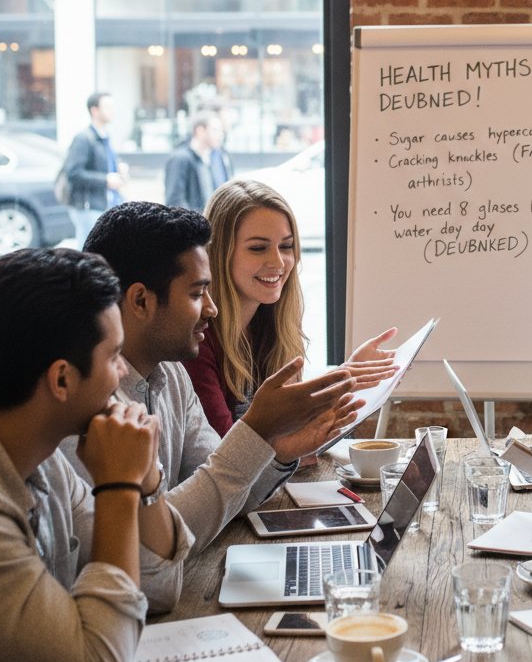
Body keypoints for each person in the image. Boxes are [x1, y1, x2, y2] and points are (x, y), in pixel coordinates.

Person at [0, 247, 188, 662]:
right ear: (62, 379)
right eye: (113, 357)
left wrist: (145, 476)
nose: (123, 371)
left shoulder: (38, 456)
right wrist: (117, 488)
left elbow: (157, 583)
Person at [62, 201, 360, 568]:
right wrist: (256, 429)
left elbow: (221, 495)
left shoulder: (171, 374)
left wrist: (279, 450)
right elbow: (147, 558)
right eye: (196, 293)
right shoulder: (83, 402)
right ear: (140, 300)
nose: (211, 309)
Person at [184, 179, 397, 437]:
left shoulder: (270, 324)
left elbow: (292, 446)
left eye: (286, 246)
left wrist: (343, 383)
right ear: (218, 252)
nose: (278, 261)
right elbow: (225, 459)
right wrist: (333, 384)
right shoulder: (197, 341)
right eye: (258, 248)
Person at [63, 92, 128, 248]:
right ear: (94, 110)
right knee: (89, 251)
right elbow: (73, 173)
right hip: (89, 206)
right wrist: (105, 180)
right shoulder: (83, 138)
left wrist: (120, 166)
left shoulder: (105, 137)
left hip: (108, 203)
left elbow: (107, 164)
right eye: (107, 107)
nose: (112, 111)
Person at [164, 112, 234, 211]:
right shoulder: (180, 158)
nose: (220, 135)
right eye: (215, 130)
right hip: (192, 224)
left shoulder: (212, 157)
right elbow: (175, 201)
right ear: (200, 131)